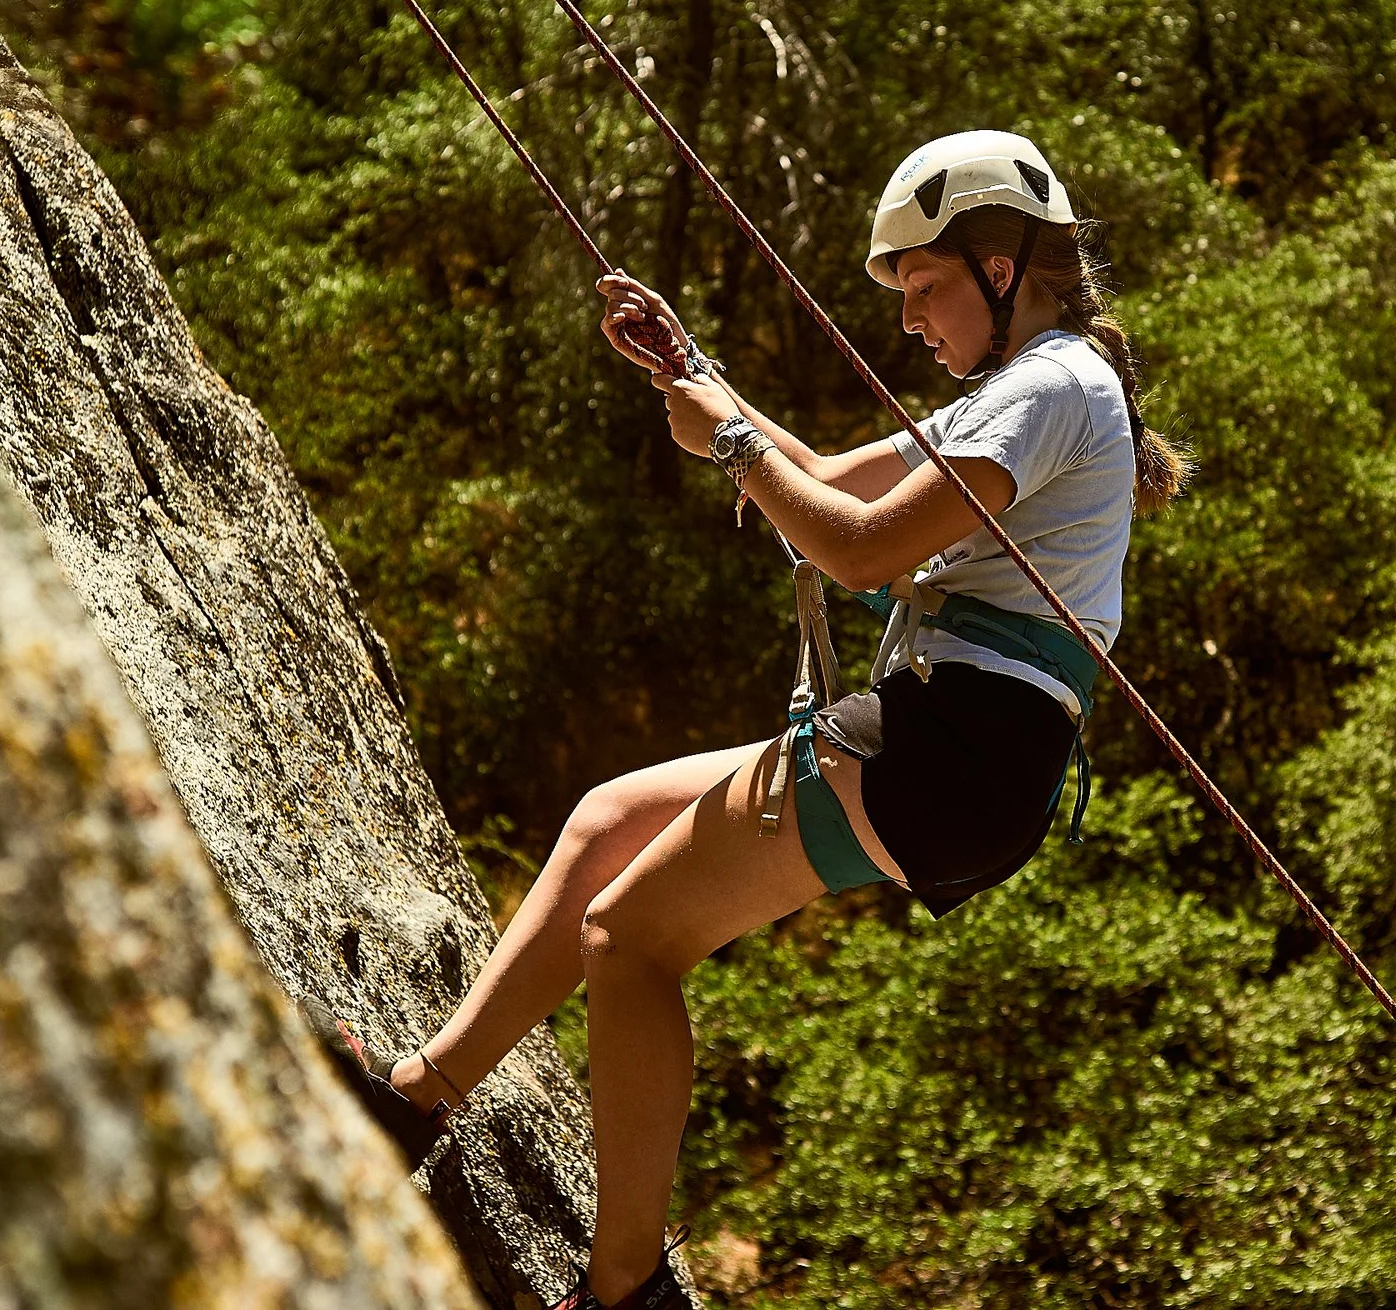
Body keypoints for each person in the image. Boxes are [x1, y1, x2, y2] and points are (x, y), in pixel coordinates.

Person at [308, 129, 1187, 1310]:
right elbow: (830, 472)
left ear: (998, 261)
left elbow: (854, 540)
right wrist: (696, 370)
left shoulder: (1049, 386)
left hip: (954, 751)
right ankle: (417, 1093)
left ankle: (623, 1290)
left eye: (926, 286)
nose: (912, 317)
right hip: (957, 747)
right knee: (610, 819)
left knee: (629, 936)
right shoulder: (1039, 387)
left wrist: (725, 438)